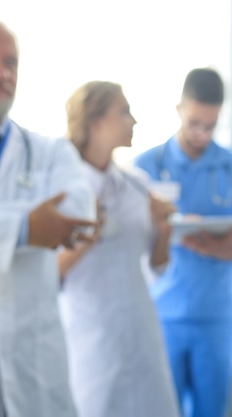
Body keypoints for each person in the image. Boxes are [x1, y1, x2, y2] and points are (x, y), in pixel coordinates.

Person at [0, 19, 96, 417]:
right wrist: (29, 226)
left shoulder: (50, 151)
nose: (1, 74)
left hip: (35, 367)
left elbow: (78, 214)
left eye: (10, 63)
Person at [134, 68, 232, 417]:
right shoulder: (144, 169)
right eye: (194, 123)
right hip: (162, 314)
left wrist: (222, 249)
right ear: (179, 109)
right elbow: (127, 240)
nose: (202, 133)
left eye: (210, 125)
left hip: (215, 317)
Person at [57, 80, 181, 417]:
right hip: (91, 337)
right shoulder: (62, 190)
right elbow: (50, 273)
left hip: (142, 330)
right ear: (95, 122)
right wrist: (86, 234)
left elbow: (157, 266)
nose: (134, 121)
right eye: (124, 112)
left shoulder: (137, 185)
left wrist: (162, 231)